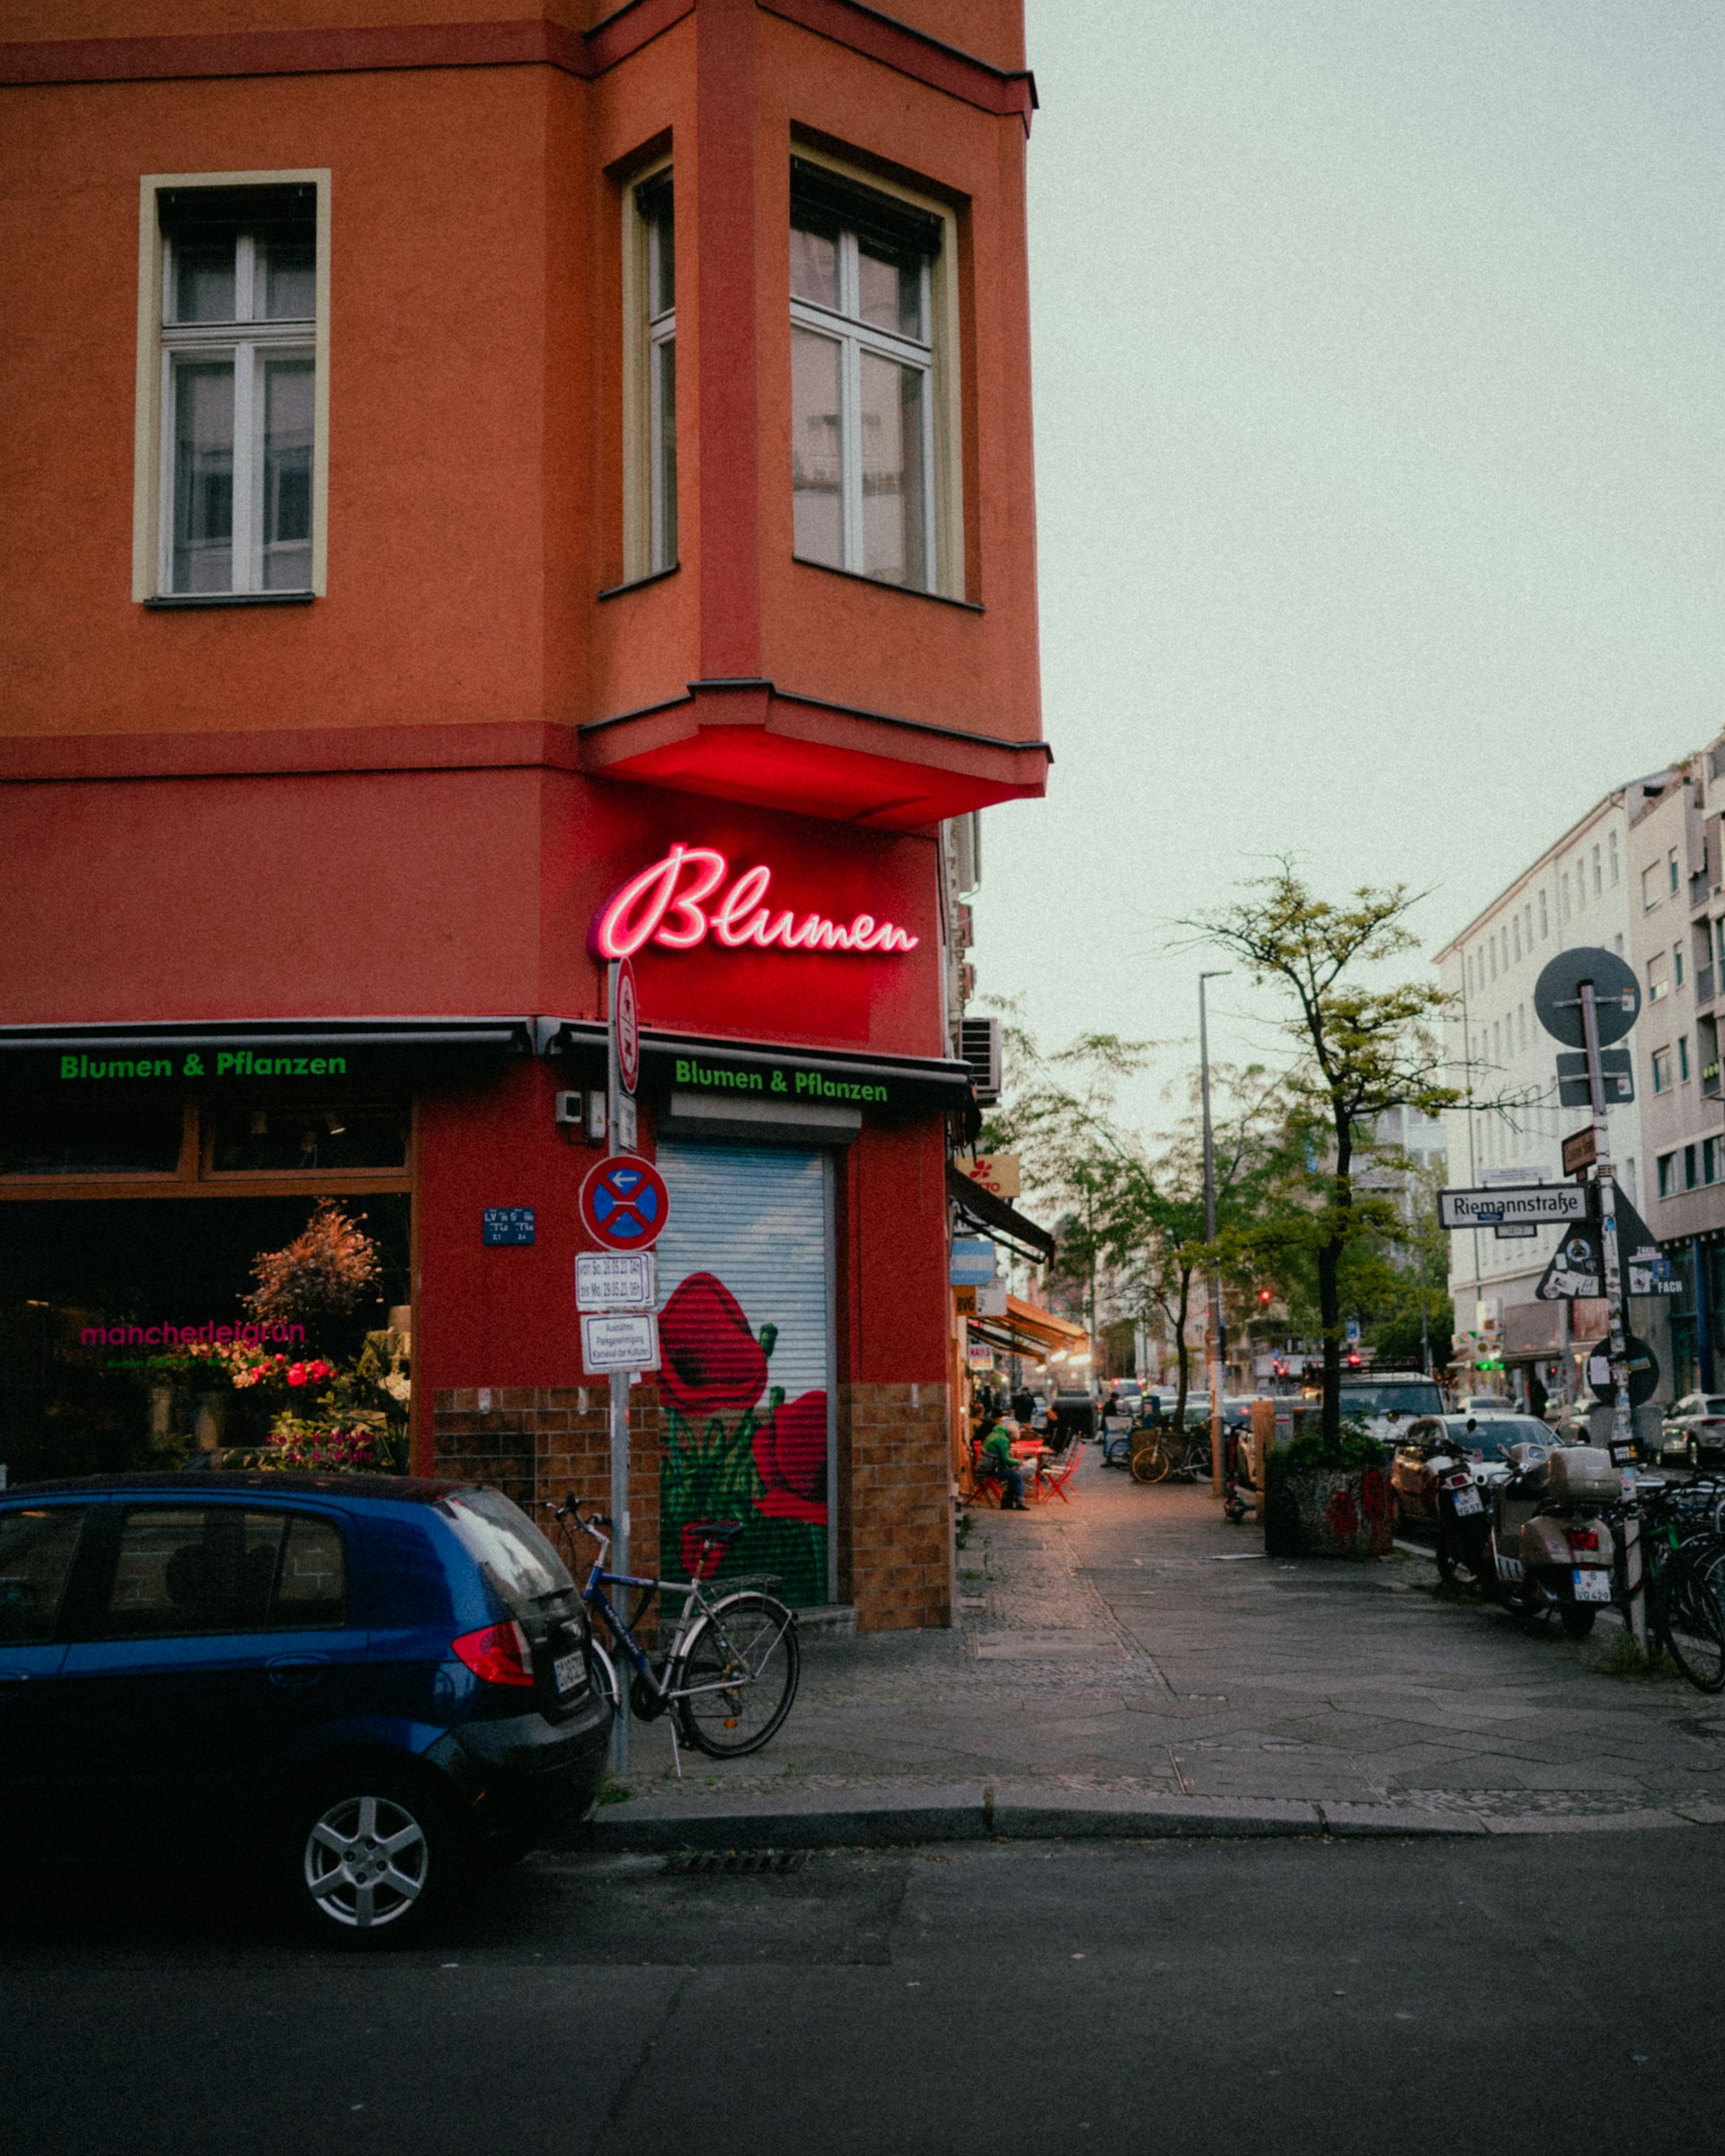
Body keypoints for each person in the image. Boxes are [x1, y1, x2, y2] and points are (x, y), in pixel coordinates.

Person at [979, 1416, 1027, 1509]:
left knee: (1013, 1475)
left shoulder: (995, 1434)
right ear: (1010, 1436)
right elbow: (1005, 1459)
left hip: (984, 1465)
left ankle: (1008, 1501)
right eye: (1012, 1441)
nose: (1011, 1443)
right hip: (989, 1469)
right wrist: (1019, 1462)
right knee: (1017, 1475)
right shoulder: (1003, 1441)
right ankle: (1018, 1501)